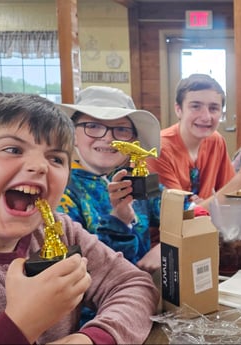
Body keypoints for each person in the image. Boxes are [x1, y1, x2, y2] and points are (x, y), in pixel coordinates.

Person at [0, 93, 158, 344]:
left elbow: (134, 284)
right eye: (13, 149)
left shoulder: (61, 231)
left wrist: (91, 339)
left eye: (56, 158)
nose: (39, 166)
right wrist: (20, 324)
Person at [57, 86, 162, 274]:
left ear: (133, 141)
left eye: (121, 129)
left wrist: (164, 249)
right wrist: (119, 220)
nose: (108, 138)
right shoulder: (61, 191)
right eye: (93, 126)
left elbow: (186, 211)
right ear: (72, 135)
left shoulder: (134, 178)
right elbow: (81, 268)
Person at [147, 74, 241, 209]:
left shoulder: (216, 140)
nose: (206, 117)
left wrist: (202, 205)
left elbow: (229, 195)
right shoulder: (157, 149)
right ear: (179, 110)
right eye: (196, 106)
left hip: (209, 226)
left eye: (213, 108)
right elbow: (178, 216)